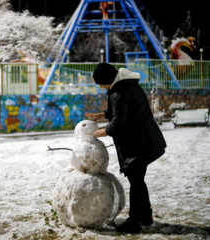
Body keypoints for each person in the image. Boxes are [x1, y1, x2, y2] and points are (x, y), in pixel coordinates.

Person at [85, 62, 167, 233]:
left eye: (100, 83)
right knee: (138, 180)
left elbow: (120, 121)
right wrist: (104, 114)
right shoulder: (126, 86)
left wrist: (104, 131)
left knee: (136, 182)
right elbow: (125, 110)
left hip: (137, 143)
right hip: (143, 139)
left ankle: (134, 222)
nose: (100, 87)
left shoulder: (119, 92)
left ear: (107, 79)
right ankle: (145, 216)